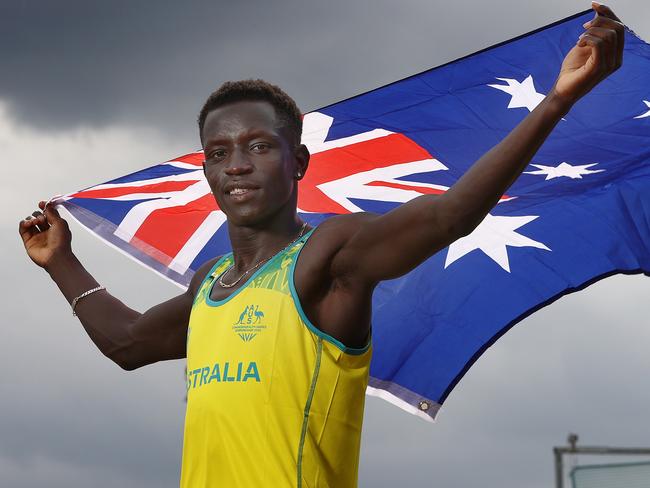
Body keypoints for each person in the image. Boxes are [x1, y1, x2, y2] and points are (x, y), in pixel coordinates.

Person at [19, 4, 625, 487]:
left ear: (298, 161)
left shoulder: (328, 258)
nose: (236, 165)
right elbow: (127, 343)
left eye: (258, 146)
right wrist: (61, 261)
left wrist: (557, 101)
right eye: (219, 152)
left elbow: (448, 217)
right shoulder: (211, 285)